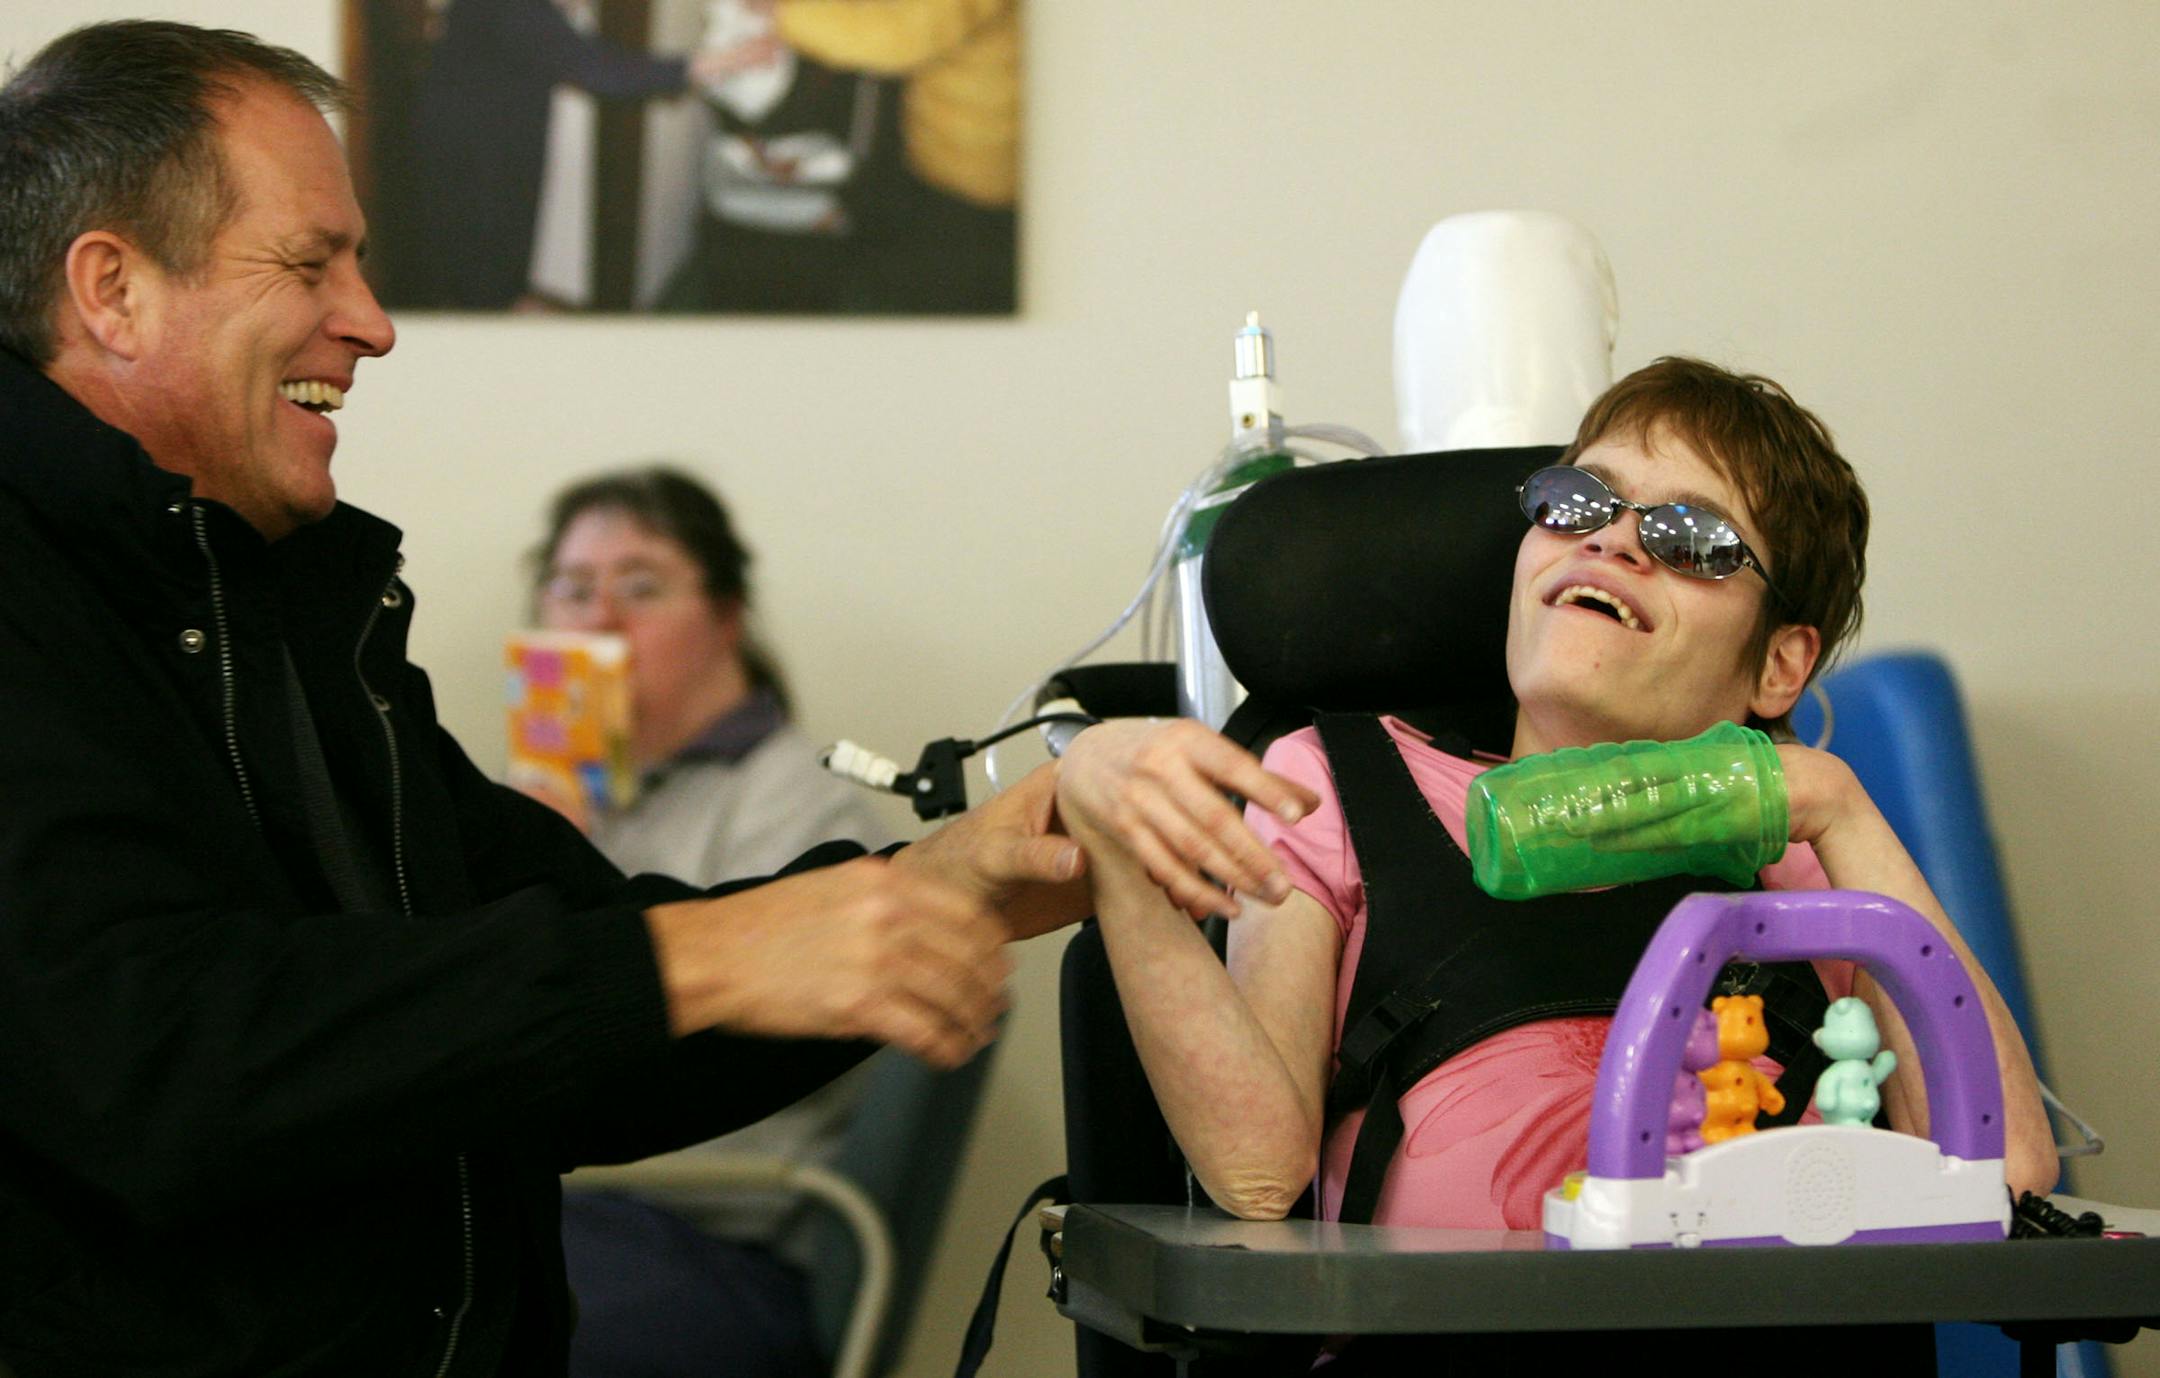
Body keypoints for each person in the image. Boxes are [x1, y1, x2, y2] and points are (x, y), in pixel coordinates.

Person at [0, 21, 1093, 1375]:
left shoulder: (289, 604)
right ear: (111, 288)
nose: (375, 321)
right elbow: (151, 1053)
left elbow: (584, 1000)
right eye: (309, 261)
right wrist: (701, 959)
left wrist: (955, 880)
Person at [1052, 358, 2056, 1368]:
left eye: (1691, 538)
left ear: (1778, 665)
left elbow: (2008, 1172)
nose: (1614, 538)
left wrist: (1835, 805)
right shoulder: (1332, 784)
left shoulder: (1795, 854)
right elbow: (1260, 1176)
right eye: (1579, 500)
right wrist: (1110, 833)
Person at [529, 467, 894, 1377]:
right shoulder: (552, 798)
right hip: (569, 1211)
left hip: (702, 1232)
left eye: (641, 586)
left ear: (726, 619)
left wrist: (546, 905)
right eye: (572, 589)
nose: (599, 619)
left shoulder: (804, 810)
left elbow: (661, 1058)